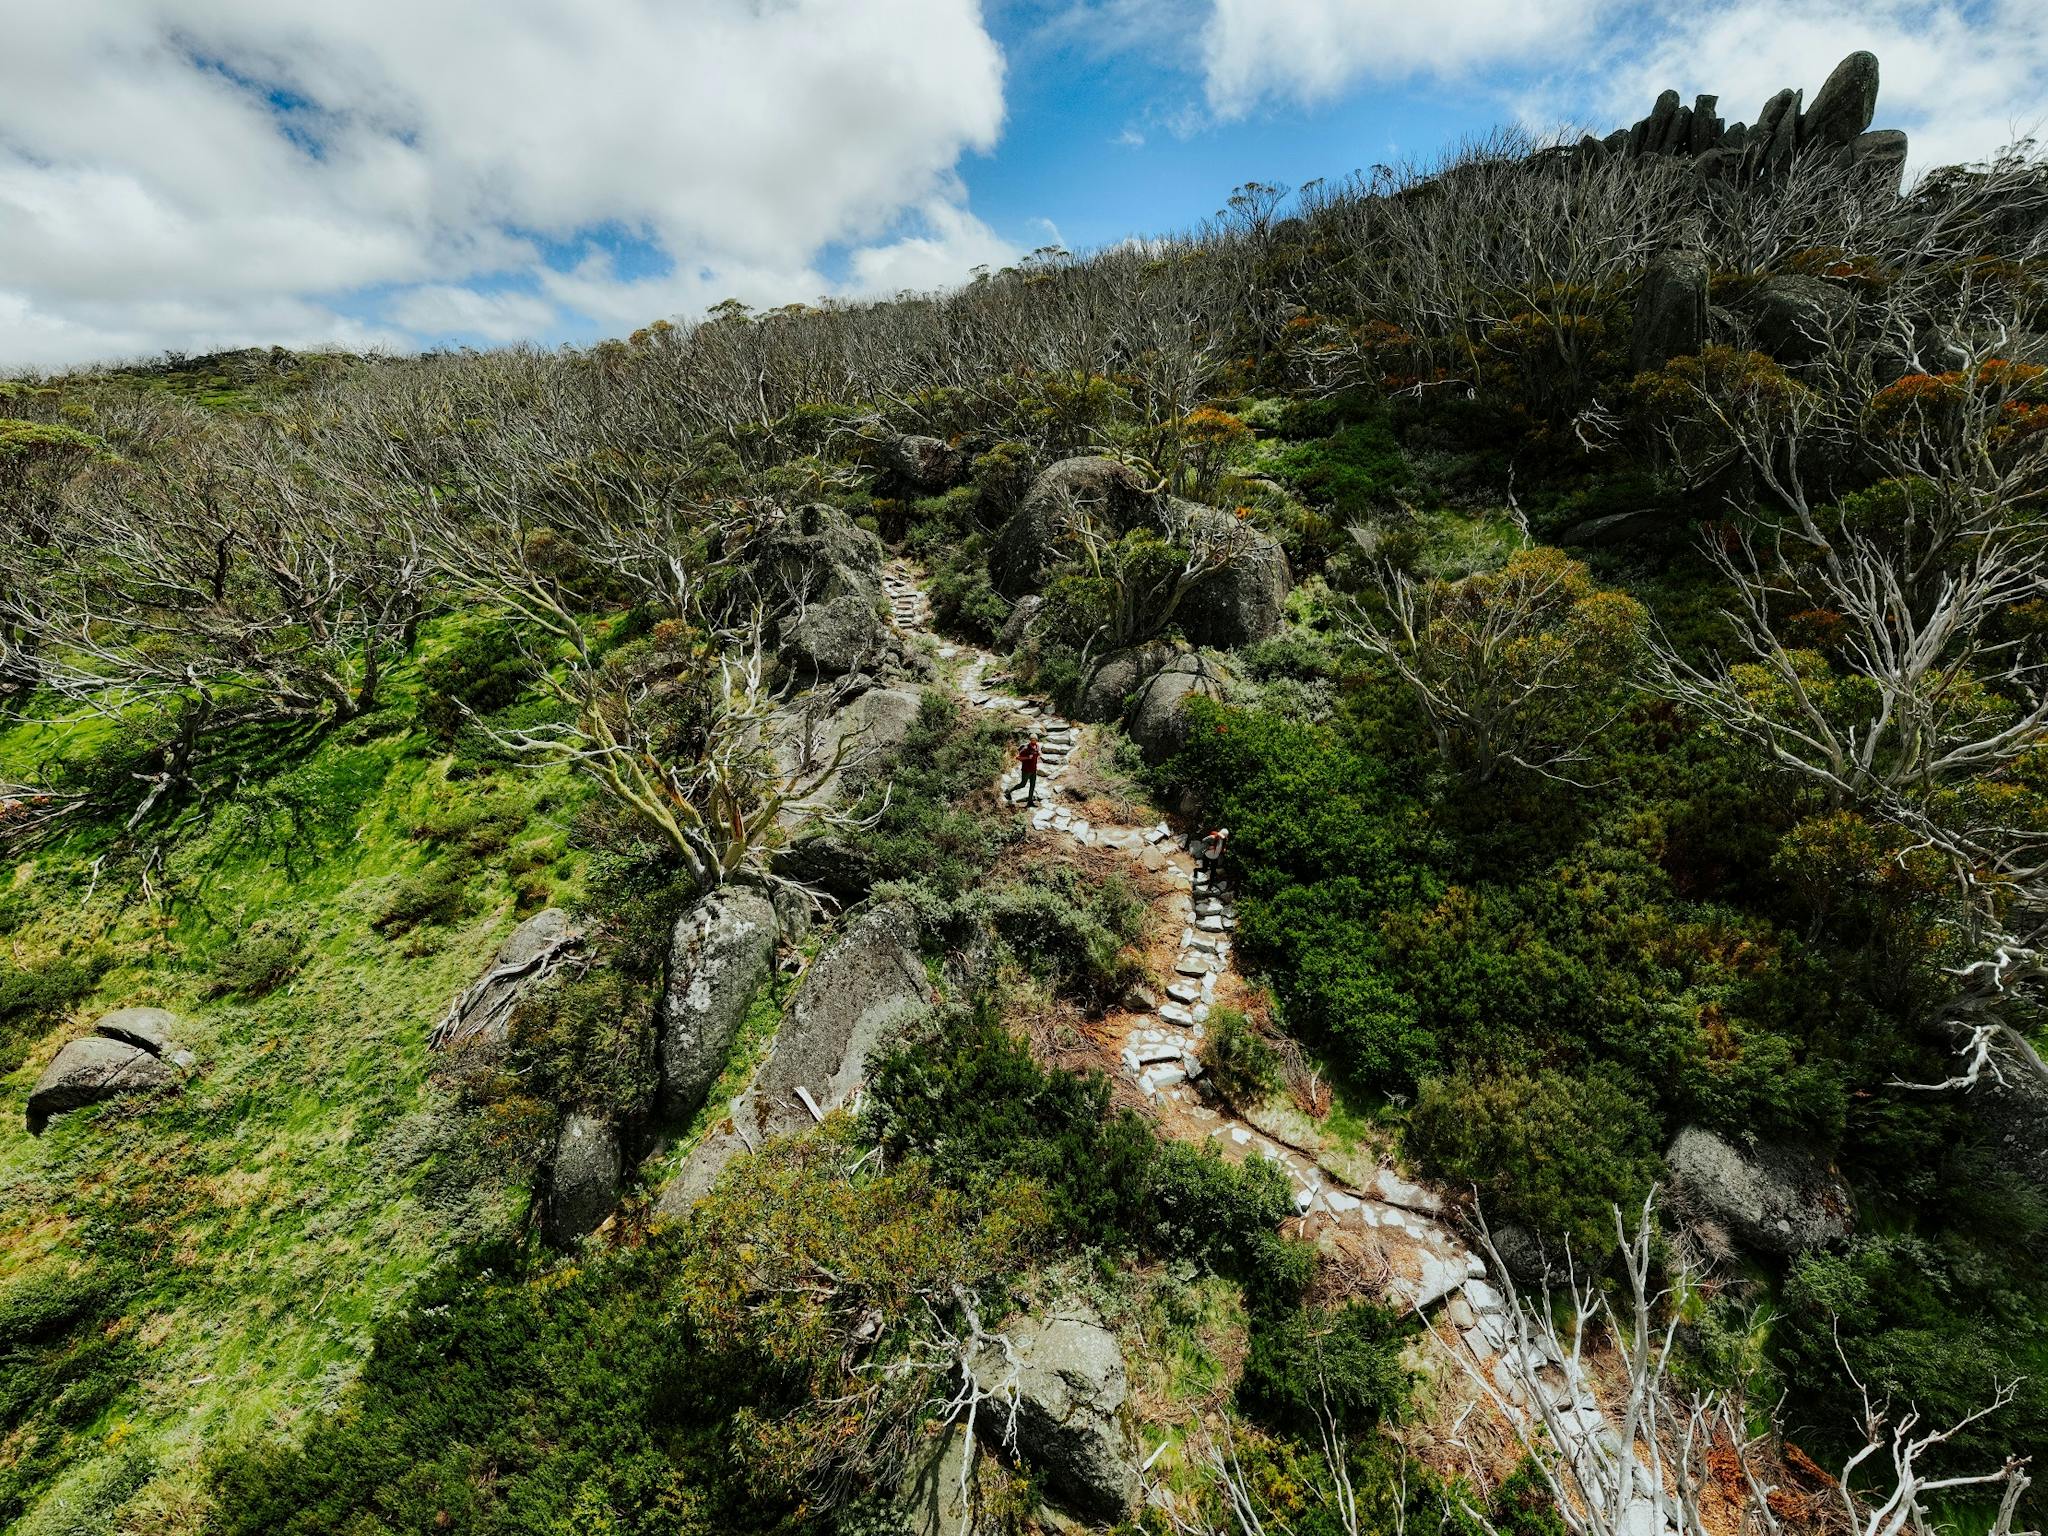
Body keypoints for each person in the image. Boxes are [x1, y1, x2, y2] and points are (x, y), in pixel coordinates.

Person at [1009, 732, 1042, 805]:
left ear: (1037, 740)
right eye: (1032, 740)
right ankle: (1009, 791)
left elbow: (1039, 751)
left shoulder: (1037, 746)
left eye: (1035, 740)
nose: (1034, 741)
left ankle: (1030, 802)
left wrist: (1039, 753)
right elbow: (1017, 757)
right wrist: (1027, 757)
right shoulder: (1026, 748)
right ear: (1030, 740)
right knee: (1022, 784)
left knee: (1032, 786)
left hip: (1033, 770)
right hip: (1026, 770)